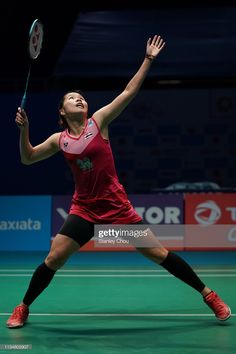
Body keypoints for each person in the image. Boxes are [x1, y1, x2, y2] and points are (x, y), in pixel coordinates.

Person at [7, 35, 231, 328]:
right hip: (84, 211)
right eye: (72, 98)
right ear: (62, 111)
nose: (80, 99)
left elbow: (128, 92)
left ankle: (209, 295)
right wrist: (24, 131)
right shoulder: (58, 140)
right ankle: (23, 307)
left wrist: (148, 59)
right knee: (54, 259)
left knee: (159, 254)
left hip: (117, 212)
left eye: (82, 97)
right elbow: (28, 158)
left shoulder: (98, 122)